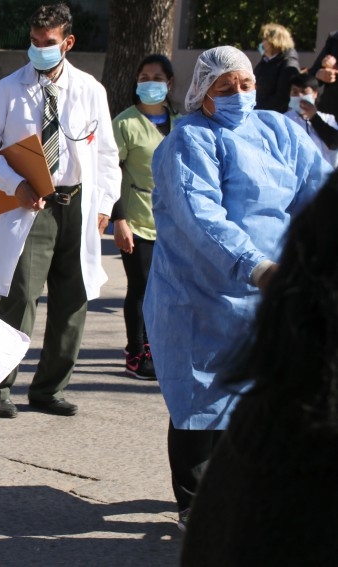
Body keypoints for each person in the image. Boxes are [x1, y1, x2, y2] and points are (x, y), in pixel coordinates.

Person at [144, 45, 332, 532]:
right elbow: (200, 216)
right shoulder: (190, 140)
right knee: (200, 398)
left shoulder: (280, 130)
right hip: (200, 289)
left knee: (256, 398)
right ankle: (194, 503)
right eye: (224, 89)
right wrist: (256, 265)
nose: (239, 95)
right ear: (203, 96)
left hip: (268, 290)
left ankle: (244, 494)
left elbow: (320, 193)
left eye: (245, 85)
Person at [0, 3, 121, 419]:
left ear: (67, 42)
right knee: (21, 297)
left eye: (47, 43)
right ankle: (0, 387)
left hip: (77, 205)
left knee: (73, 298)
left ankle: (50, 389)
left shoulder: (90, 89)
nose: (38, 50)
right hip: (29, 206)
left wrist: (105, 205)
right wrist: (14, 184)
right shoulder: (8, 88)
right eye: (33, 42)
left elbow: (106, 153)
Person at [181, 170, 338, 564]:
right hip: (220, 289)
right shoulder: (291, 441)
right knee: (199, 408)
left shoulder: (276, 416)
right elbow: (199, 214)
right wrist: (255, 265)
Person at [110, 54, 179, 380]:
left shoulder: (182, 122)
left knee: (166, 289)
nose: (151, 83)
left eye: (157, 77)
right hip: (137, 218)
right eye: (144, 77)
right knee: (142, 287)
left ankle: (158, 348)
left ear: (170, 83)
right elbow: (109, 173)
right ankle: (136, 352)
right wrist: (118, 219)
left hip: (176, 222)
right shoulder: (125, 123)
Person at [285, 73, 338, 168]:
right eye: (295, 92)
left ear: (315, 94)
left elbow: (334, 143)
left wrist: (314, 118)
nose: (299, 96)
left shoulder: (328, 119)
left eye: (304, 92)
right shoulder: (284, 119)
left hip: (326, 177)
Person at [253, 23, 299, 113]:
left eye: (264, 39)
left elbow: (281, 98)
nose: (262, 43)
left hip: (272, 116)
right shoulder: (266, 60)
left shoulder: (288, 64)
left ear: (273, 41)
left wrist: (258, 109)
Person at [309, 30, 338, 116]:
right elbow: (313, 73)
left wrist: (335, 67)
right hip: (329, 111)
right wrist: (320, 74)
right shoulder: (334, 39)